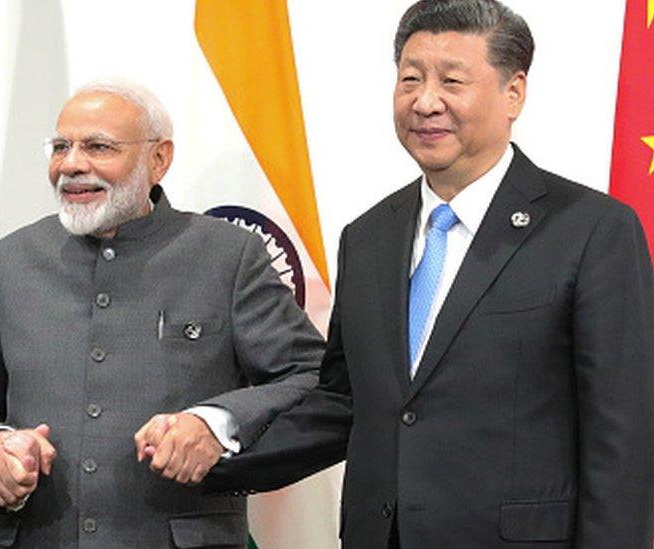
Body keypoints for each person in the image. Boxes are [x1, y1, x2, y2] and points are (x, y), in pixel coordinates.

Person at [202, 1, 654, 547]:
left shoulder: (590, 229)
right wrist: (213, 446)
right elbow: (348, 403)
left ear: (514, 92)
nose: (425, 101)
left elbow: (623, 434)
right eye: (410, 79)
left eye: (452, 81)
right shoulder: (368, 237)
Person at [0, 79, 323, 548]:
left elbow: (312, 376)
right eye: (61, 147)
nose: (72, 165)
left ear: (158, 159)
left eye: (98, 147)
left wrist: (216, 423)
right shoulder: (9, 263)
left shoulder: (228, 255)